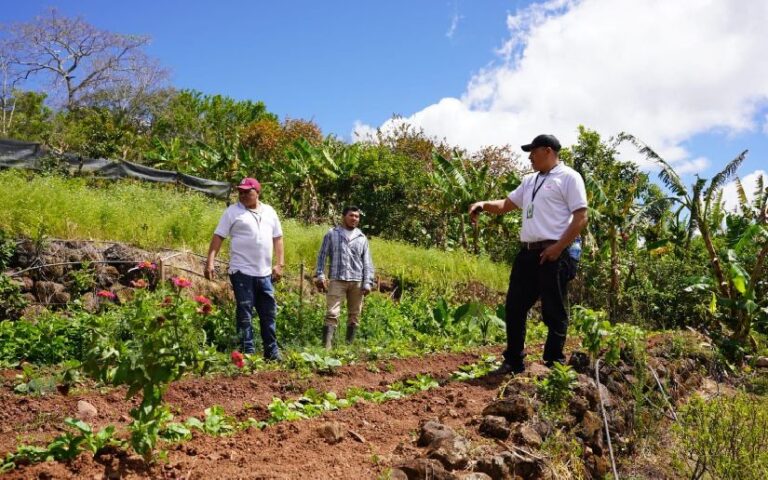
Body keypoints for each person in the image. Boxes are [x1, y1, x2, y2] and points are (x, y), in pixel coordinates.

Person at [469, 134, 588, 375]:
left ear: (547, 150)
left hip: (555, 252)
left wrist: (558, 248)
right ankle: (513, 361)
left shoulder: (569, 178)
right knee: (514, 306)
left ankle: (554, 364)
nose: (530, 157)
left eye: (533, 152)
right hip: (528, 253)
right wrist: (483, 204)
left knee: (554, 309)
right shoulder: (530, 181)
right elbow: (505, 204)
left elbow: (581, 218)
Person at [205, 177, 285, 361]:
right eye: (240, 192)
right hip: (241, 272)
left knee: (268, 313)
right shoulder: (232, 212)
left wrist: (280, 264)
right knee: (245, 312)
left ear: (258, 192)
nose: (242, 195)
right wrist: (210, 262)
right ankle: (247, 353)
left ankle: (271, 352)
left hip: (265, 273)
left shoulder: (270, 212)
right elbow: (218, 237)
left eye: (247, 192)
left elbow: (278, 238)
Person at [314, 206, 375, 349]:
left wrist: (368, 282)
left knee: (354, 316)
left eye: (357, 216)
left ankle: (348, 348)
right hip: (337, 279)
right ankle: (327, 349)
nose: (354, 218)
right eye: (351, 215)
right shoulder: (332, 234)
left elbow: (367, 262)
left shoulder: (362, 238)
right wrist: (320, 274)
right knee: (332, 313)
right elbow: (322, 256)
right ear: (343, 216)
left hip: (356, 281)